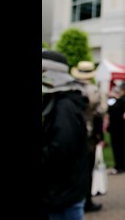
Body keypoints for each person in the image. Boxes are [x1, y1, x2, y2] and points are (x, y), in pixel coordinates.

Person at [42, 50, 90, 220]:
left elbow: (62, 148)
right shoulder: (58, 102)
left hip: (64, 192)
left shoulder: (64, 106)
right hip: (61, 191)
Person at [71, 60, 107, 213]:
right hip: (88, 135)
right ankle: (86, 201)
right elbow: (101, 112)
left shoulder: (71, 88)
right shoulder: (94, 90)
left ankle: (74, 199)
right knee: (87, 169)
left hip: (72, 133)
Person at [107, 82, 125, 174]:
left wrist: (114, 98)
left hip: (118, 126)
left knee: (118, 146)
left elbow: (113, 109)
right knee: (121, 146)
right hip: (120, 126)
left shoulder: (124, 100)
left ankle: (120, 165)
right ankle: (123, 165)